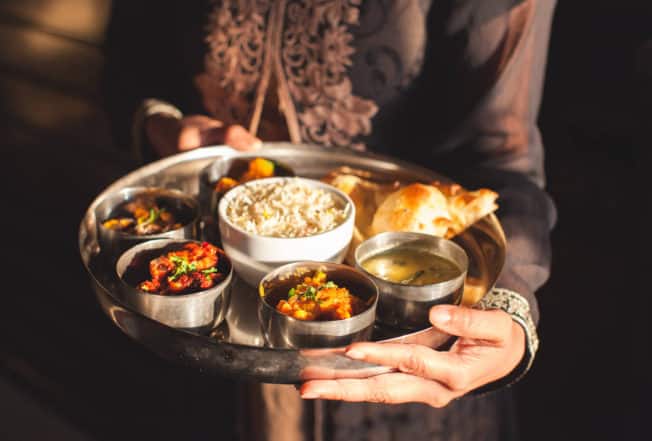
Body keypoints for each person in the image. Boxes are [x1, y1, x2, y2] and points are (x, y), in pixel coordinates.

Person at [102, 1, 557, 440]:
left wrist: (511, 309)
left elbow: (501, 156)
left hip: (391, 359)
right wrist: (164, 127)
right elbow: (130, 64)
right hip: (201, 331)